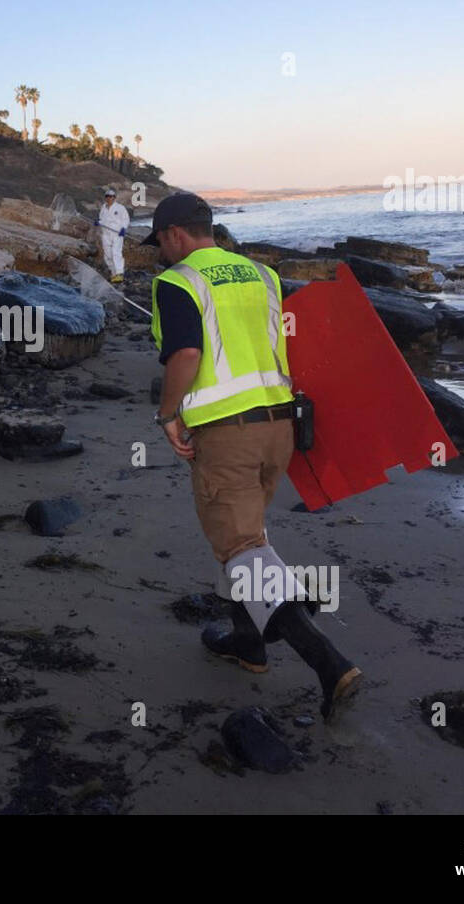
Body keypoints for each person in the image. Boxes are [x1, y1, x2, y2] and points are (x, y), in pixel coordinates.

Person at [142, 193, 361, 720]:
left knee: (240, 547)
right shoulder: (262, 276)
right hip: (280, 429)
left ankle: (328, 662)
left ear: (175, 234)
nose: (162, 253)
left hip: (226, 434)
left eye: (162, 243)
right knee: (248, 541)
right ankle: (248, 643)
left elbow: (188, 355)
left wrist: (167, 414)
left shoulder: (178, 282)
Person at [96, 187, 130, 283]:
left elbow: (126, 220)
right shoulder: (103, 208)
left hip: (117, 234)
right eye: (107, 196)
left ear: (114, 198)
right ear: (105, 198)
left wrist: (123, 228)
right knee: (107, 254)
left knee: (116, 253)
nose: (109, 198)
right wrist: (98, 222)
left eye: (111, 196)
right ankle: (113, 273)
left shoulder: (120, 208)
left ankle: (119, 274)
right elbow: (101, 219)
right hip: (106, 234)